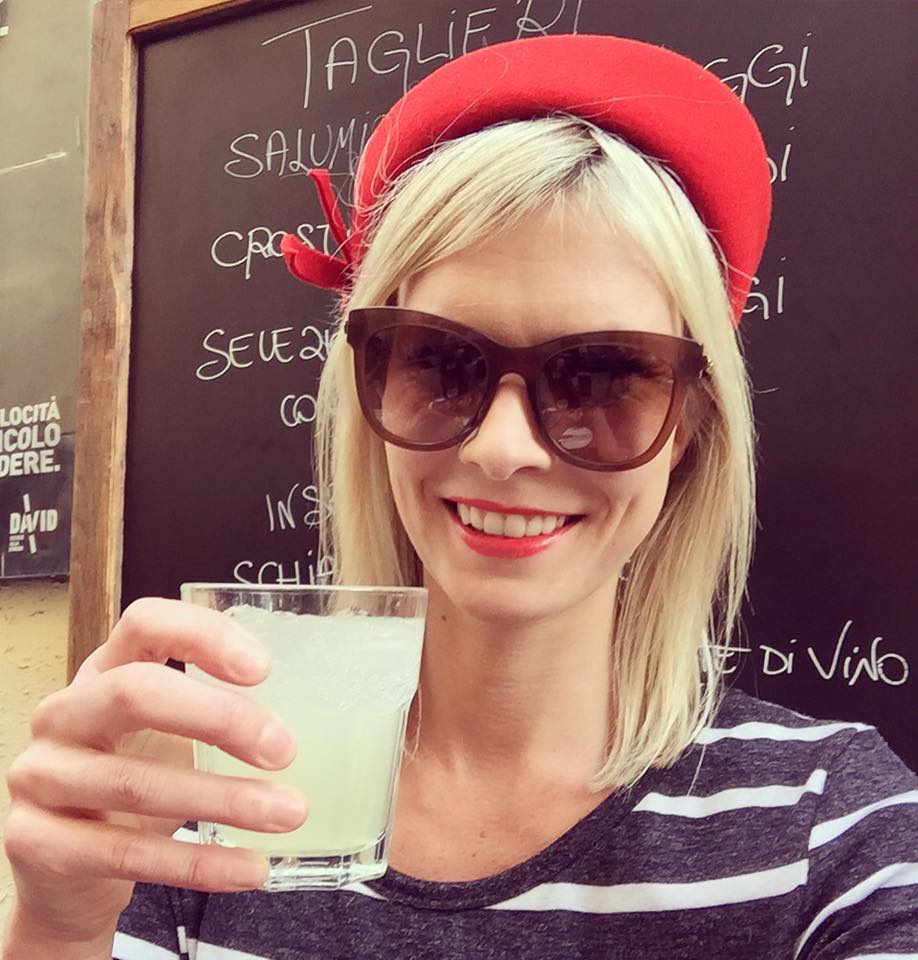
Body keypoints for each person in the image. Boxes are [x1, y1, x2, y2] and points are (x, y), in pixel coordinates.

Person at [3, 33, 917, 960]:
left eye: (602, 375)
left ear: (690, 427)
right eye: (440, 360)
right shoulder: (201, 794)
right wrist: (61, 925)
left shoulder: (834, 835)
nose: (502, 450)